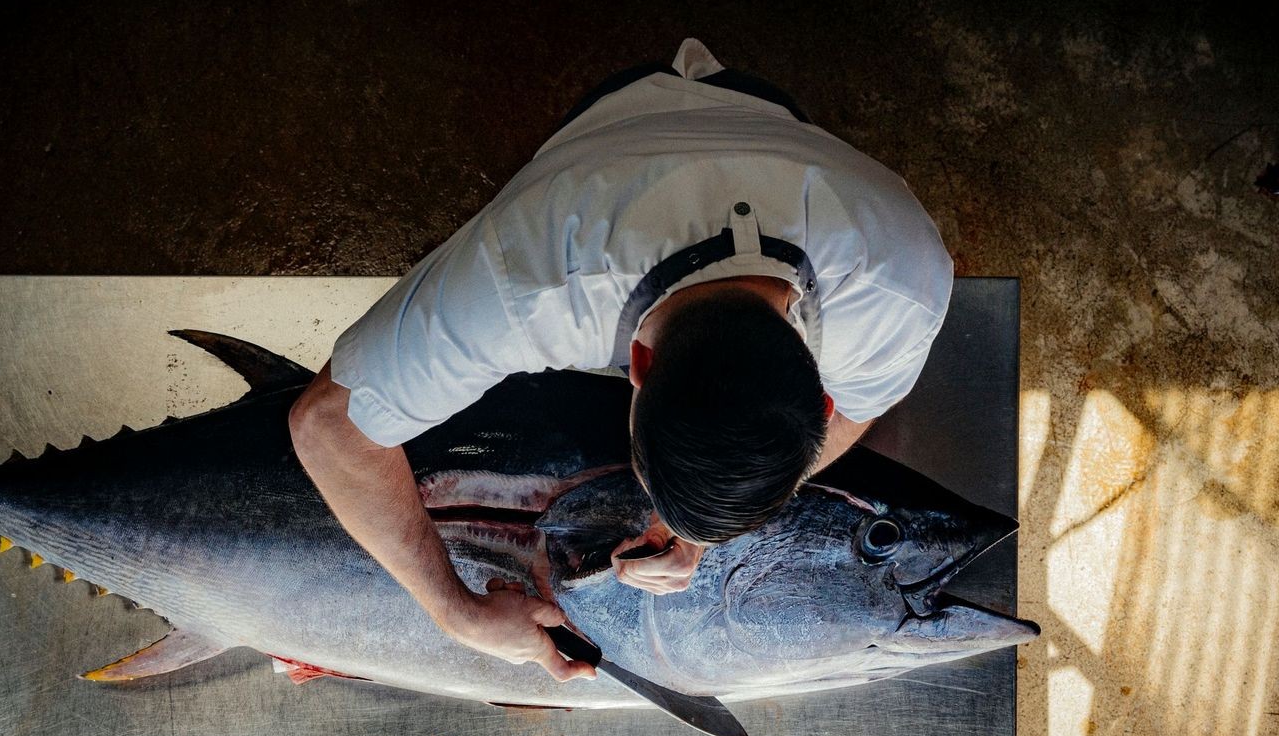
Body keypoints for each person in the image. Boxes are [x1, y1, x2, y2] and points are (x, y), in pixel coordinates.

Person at [289, 38, 953, 683]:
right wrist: (456, 613)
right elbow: (326, 424)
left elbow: (862, 404)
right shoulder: (527, 285)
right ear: (632, 364)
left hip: (780, 135)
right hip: (605, 137)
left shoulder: (901, 280)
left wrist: (699, 525)